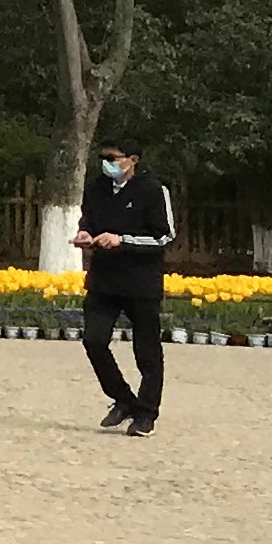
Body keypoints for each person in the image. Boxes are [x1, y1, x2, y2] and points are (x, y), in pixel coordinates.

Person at [75, 134, 173, 436]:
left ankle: (147, 413)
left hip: (140, 282)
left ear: (132, 161)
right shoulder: (97, 188)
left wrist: (123, 241)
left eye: (113, 158)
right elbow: (87, 220)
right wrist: (84, 235)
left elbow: (164, 237)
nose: (107, 164)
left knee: (146, 351)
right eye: (103, 158)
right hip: (104, 280)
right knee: (93, 340)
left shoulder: (153, 190)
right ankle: (123, 399)